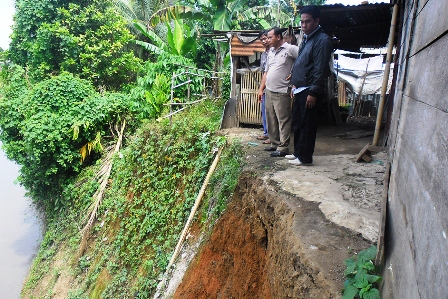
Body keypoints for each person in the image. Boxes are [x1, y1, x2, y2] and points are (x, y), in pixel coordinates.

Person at [286, 5, 333, 165]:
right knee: (298, 123)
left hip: (309, 89)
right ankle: (298, 152)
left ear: (317, 21)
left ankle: (305, 158)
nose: (304, 25)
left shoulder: (322, 40)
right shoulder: (307, 39)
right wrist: (294, 82)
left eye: (307, 22)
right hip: (300, 88)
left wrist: (313, 92)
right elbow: (302, 62)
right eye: (302, 22)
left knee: (307, 124)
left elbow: (320, 69)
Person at [257, 27, 299, 157]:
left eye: (270, 37)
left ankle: (283, 148)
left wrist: (294, 74)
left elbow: (304, 60)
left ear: (278, 37)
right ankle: (274, 144)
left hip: (282, 90)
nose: (268, 40)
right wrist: (261, 89)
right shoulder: (271, 52)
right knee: (271, 119)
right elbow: (266, 72)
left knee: (283, 120)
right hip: (269, 90)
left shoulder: (290, 49)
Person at [256, 30, 270, 143]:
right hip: (266, 86)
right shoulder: (264, 54)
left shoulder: (274, 52)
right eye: (262, 40)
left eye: (265, 38)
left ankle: (273, 136)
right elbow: (263, 72)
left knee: (272, 112)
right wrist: (262, 87)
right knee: (264, 110)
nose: (264, 41)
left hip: (275, 86)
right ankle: (266, 133)